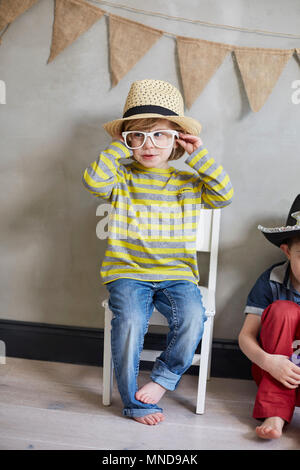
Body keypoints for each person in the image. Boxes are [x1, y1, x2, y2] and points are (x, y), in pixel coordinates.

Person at [82, 79, 233, 425]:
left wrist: (200, 156)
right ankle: (133, 402)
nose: (149, 145)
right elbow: (93, 181)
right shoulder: (120, 177)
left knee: (194, 316)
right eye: (138, 136)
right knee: (131, 323)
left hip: (176, 275)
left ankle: (164, 378)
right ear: (126, 140)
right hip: (127, 273)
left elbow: (224, 194)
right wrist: (117, 151)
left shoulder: (188, 183)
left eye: (160, 135)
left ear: (178, 140)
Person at [239, 194, 300, 440]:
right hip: (274, 370)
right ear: (287, 251)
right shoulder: (272, 280)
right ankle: (275, 412)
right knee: (284, 310)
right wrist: (268, 362)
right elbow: (245, 336)